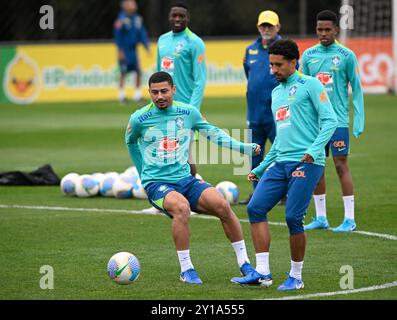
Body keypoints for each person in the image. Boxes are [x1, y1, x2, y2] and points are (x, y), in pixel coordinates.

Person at [125, 71, 261, 284]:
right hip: (157, 184)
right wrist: (143, 173)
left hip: (186, 180)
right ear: (149, 93)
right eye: (154, 92)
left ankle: (245, 265)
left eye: (164, 91)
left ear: (173, 90)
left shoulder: (188, 112)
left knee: (222, 205)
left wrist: (243, 148)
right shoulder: (139, 118)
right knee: (181, 208)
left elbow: (214, 133)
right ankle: (186, 269)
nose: (160, 96)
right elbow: (130, 142)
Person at [231, 40, 337, 290]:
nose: (273, 70)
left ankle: (296, 277)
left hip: (307, 163)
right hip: (280, 163)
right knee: (255, 208)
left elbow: (330, 120)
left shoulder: (310, 85)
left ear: (293, 62)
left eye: (278, 65)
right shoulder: (276, 93)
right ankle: (263, 273)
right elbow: (280, 139)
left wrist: (314, 149)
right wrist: (260, 167)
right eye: (271, 65)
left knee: (293, 217)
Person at [301, 10, 365, 232]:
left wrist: (358, 120)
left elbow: (356, 88)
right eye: (320, 29)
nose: (323, 33)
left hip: (337, 123)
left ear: (336, 30)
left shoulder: (346, 56)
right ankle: (321, 218)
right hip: (315, 124)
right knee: (316, 167)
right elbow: (302, 89)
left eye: (328, 29)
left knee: (340, 166)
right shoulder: (308, 56)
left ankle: (349, 219)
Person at [156, 2, 206, 177]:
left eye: (181, 16)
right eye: (174, 15)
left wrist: (192, 110)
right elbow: (157, 76)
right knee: (165, 154)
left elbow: (200, 81)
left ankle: (192, 193)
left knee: (184, 156)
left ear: (187, 18)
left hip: (184, 107)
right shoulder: (162, 40)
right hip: (163, 107)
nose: (177, 19)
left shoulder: (195, 42)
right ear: (169, 17)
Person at [239, 10, 279, 205]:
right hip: (254, 115)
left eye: (270, 26)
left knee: (283, 155)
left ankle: (285, 193)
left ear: (277, 27)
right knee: (254, 157)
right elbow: (250, 77)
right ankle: (258, 194)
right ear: (258, 27)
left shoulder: (283, 48)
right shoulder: (250, 50)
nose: (266, 29)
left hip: (277, 115)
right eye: (263, 25)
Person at [114, 0, 150, 104]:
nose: (134, 5)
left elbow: (142, 33)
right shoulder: (121, 19)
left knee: (138, 71)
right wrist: (120, 50)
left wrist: (146, 46)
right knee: (123, 72)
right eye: (131, 3)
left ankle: (137, 95)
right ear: (125, 6)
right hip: (125, 49)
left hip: (134, 49)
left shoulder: (137, 18)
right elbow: (118, 35)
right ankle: (121, 95)